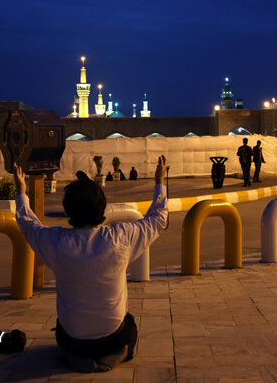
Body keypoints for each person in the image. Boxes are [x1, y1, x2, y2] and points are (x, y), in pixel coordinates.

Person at [13, 156, 168, 373]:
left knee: (62, 329)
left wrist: (21, 192)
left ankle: (77, 358)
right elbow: (158, 218)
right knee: (130, 324)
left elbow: (28, 225)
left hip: (73, 340)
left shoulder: (56, 242)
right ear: (102, 208)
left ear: (68, 210)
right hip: (112, 337)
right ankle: (115, 354)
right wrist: (160, 180)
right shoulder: (120, 237)